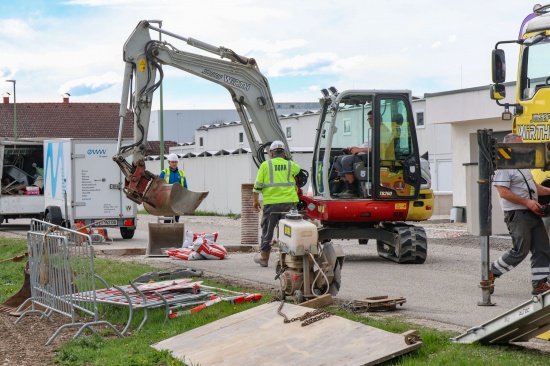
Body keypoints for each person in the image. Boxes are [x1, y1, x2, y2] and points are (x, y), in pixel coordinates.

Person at [490, 133, 550, 296]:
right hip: (517, 214)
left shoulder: (522, 164)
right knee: (520, 250)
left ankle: (539, 284)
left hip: (532, 213)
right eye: (519, 145)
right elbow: (503, 193)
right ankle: (492, 271)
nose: (522, 148)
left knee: (542, 247)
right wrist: (527, 202)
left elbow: (535, 187)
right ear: (509, 147)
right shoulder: (503, 167)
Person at [252, 140, 301, 267]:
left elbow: (258, 185)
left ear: (271, 153)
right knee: (287, 232)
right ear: (284, 153)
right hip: (288, 204)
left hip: (271, 204)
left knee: (268, 231)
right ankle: (285, 261)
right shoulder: (291, 165)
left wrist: (255, 201)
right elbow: (299, 172)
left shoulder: (265, 165)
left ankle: (264, 259)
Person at [332, 111, 392, 198]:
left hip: (372, 157)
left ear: (378, 119)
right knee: (337, 159)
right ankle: (346, 187)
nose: (369, 121)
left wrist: (360, 150)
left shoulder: (383, 131)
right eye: (368, 119)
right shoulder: (374, 130)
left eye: (371, 119)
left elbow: (380, 149)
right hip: (363, 154)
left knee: (346, 160)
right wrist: (355, 149)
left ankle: (353, 190)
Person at [159, 153, 187, 223]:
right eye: (172, 162)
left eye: (175, 162)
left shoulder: (181, 173)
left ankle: (175, 232)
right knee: (168, 218)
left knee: (176, 219)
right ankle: (167, 232)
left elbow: (185, 186)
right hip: (167, 199)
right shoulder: (164, 173)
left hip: (178, 199)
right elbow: (159, 185)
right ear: (169, 162)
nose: (174, 164)